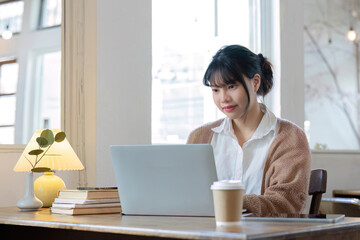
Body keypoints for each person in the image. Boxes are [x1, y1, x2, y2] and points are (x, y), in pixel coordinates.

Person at [187, 45, 311, 214]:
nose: (223, 98)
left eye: (231, 86)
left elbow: (286, 202)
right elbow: (187, 195)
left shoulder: (290, 137)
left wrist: (228, 202)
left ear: (255, 82)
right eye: (216, 90)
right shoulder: (199, 137)